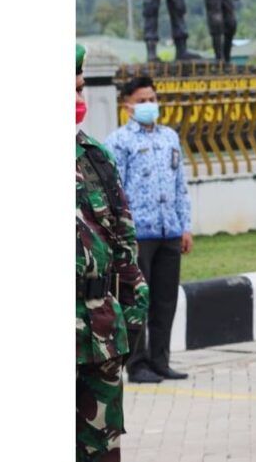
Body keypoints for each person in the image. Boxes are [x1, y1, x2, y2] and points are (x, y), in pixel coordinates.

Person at [77, 44, 150, 462]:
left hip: (99, 337)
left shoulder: (96, 157)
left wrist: (130, 319)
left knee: (101, 450)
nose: (78, 99)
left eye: (79, 89)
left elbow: (124, 246)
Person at [104, 76, 193, 384]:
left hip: (169, 231)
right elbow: (114, 191)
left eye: (152, 99)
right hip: (138, 235)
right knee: (136, 300)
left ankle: (160, 360)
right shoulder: (118, 142)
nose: (148, 105)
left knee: (165, 301)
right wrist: (120, 234)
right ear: (127, 106)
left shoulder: (169, 137)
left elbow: (180, 185)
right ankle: (137, 363)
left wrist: (185, 227)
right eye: (141, 101)